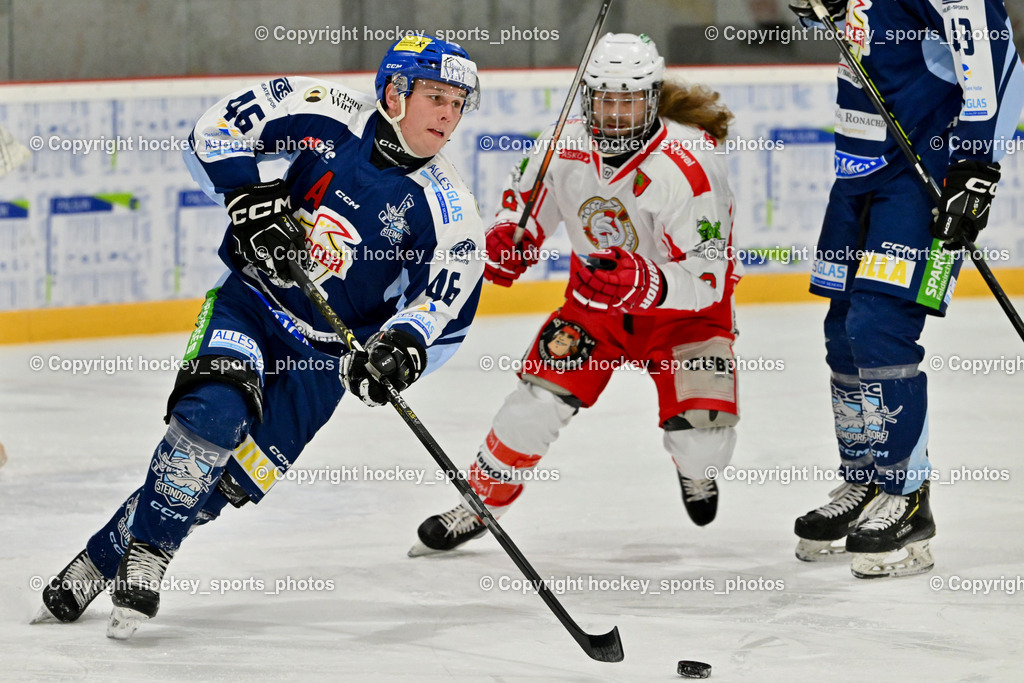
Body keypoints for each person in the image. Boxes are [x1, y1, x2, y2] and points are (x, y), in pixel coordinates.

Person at [34, 35, 485, 637]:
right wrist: (248, 196)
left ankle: (98, 558)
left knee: (225, 482)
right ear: (393, 93)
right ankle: (149, 558)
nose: (448, 115)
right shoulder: (325, 111)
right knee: (211, 419)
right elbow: (214, 132)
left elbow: (443, 312)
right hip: (251, 305)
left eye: (458, 103)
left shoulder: (452, 214)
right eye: (435, 97)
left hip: (322, 360)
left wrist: (397, 349)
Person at [410, 33, 743, 556]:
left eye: (628, 99)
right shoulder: (560, 144)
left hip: (685, 318)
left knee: (702, 443)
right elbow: (521, 213)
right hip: (596, 307)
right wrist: (507, 241)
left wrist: (646, 281)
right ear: (587, 96)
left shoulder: (690, 164)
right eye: (604, 98)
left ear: (652, 98)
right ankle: (480, 502)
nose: (614, 113)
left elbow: (710, 279)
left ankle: (693, 470)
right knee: (533, 406)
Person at [788, 0, 1024, 577]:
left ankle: (908, 496)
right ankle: (867, 481)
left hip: (925, 177)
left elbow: (1002, 61)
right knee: (843, 334)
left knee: (879, 328)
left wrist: (977, 167)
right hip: (860, 171)